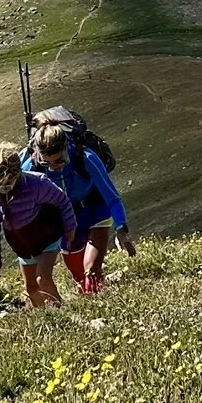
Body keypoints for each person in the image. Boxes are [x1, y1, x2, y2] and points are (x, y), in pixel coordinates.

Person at [24, 114, 135, 297]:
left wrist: (121, 229)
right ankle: (94, 299)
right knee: (79, 277)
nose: (55, 167)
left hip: (95, 210)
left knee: (90, 269)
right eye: (47, 163)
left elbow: (112, 197)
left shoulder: (86, 157)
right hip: (64, 222)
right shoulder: (31, 167)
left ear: (67, 147)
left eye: (60, 160)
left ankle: (101, 306)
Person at [0, 141, 79, 308]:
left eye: (7, 184)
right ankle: (45, 318)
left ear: (18, 175)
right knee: (31, 288)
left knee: (42, 279)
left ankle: (63, 313)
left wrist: (70, 227)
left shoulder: (35, 184)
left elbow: (62, 200)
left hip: (47, 238)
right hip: (24, 247)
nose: (3, 189)